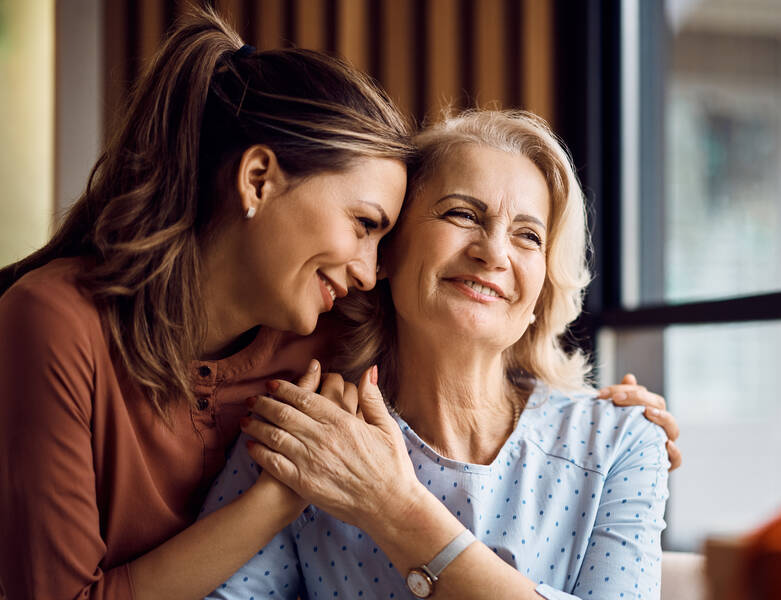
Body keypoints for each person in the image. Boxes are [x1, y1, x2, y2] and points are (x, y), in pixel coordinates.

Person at [0, 8, 413, 600]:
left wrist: (591, 402)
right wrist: (277, 498)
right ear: (258, 179)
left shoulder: (334, 347)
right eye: (363, 224)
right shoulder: (54, 323)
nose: (371, 274)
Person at [204, 110, 672, 599]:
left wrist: (394, 507)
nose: (494, 253)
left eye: (528, 236)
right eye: (462, 214)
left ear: (543, 292)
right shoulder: (308, 428)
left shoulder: (624, 441)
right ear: (387, 251)